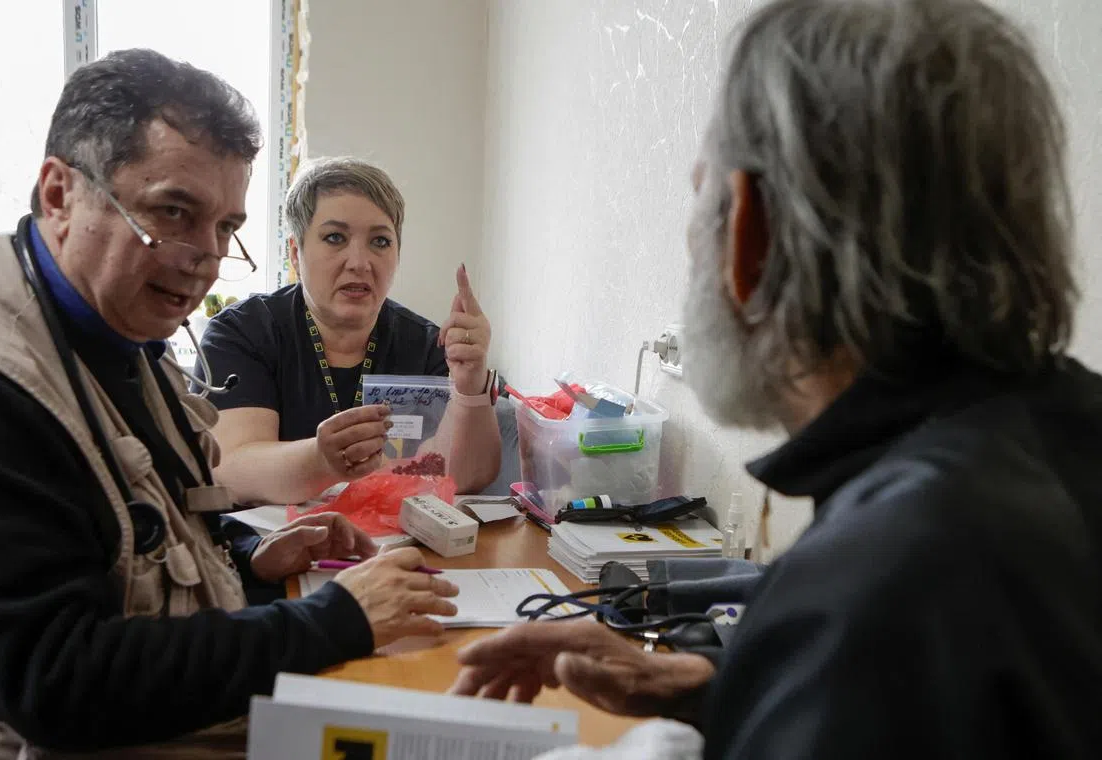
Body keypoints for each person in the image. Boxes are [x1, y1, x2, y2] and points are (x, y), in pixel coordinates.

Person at [451, 0, 1102, 757]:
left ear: (749, 236)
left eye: (703, 198)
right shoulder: (1067, 434)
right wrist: (724, 688)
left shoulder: (883, 577)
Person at [0, 50, 458, 759]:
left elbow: (137, 537)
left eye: (225, 227)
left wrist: (248, 555)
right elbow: (58, 681)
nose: (201, 257)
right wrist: (333, 618)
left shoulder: (115, 321)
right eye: (172, 212)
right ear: (58, 194)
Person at [197, 157, 502, 506]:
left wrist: (471, 385)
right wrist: (321, 461)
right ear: (295, 254)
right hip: (269, 548)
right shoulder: (242, 332)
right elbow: (231, 467)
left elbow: (466, 478)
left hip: (394, 545)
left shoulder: (429, 345)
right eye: (335, 237)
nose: (359, 262)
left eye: (380, 242)